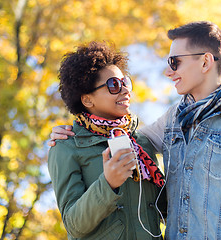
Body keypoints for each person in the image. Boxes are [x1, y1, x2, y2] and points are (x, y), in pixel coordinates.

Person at [50, 21, 221, 239]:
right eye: (114, 84)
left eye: (175, 62)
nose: (168, 71)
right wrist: (68, 132)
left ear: (205, 62)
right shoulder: (172, 120)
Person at [47, 41, 166, 240]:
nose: (125, 90)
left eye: (125, 82)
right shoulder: (66, 146)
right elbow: (73, 225)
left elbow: (165, 209)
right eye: (113, 85)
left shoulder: (141, 143)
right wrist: (108, 183)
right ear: (87, 100)